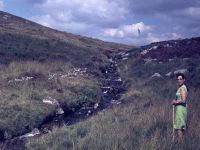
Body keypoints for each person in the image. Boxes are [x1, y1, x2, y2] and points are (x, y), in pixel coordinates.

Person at [171, 73, 188, 143]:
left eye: (180, 79)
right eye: (178, 79)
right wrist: (175, 101)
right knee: (180, 127)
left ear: (184, 80)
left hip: (181, 109)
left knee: (179, 127)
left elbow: (184, 100)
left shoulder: (182, 88)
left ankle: (180, 144)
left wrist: (175, 102)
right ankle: (182, 143)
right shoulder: (180, 88)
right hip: (180, 109)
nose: (179, 80)